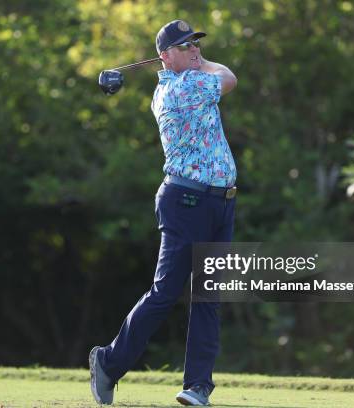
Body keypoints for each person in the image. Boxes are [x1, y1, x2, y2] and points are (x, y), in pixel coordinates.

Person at [89, 19, 237, 406]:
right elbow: (230, 77)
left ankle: (197, 387)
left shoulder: (186, 78)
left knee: (208, 295)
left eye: (196, 44)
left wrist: (193, 60)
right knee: (166, 292)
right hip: (187, 202)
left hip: (220, 202)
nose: (195, 50)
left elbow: (218, 74)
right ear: (165, 56)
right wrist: (201, 64)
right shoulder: (182, 88)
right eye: (186, 46)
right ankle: (108, 362)